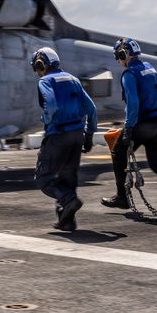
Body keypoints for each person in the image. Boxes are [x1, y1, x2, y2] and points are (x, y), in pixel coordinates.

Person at [101, 38, 157, 217]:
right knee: (156, 163)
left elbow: (133, 104)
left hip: (143, 124)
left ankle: (122, 197)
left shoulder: (129, 74)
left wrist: (128, 128)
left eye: (118, 56)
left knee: (118, 153)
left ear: (123, 54)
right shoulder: (149, 67)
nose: (117, 60)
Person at [30, 47, 97, 232]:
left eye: (36, 67)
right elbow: (91, 109)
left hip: (59, 135)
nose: (37, 72)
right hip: (77, 136)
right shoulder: (73, 79)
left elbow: (51, 105)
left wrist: (45, 119)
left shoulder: (45, 81)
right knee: (68, 179)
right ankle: (67, 222)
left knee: (44, 178)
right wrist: (89, 134)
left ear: (41, 65)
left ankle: (69, 200)